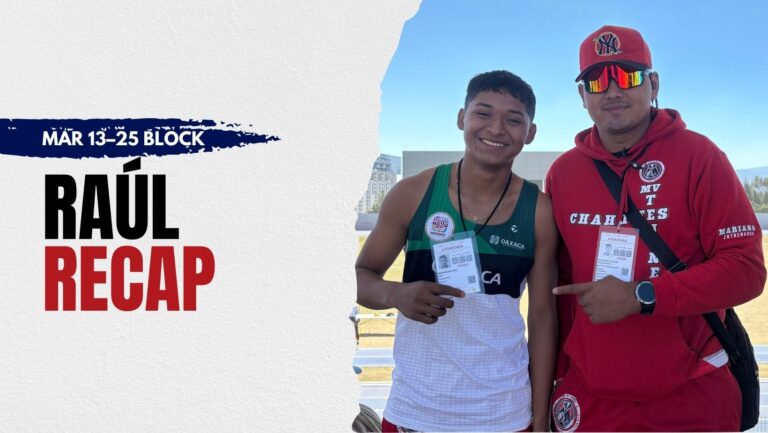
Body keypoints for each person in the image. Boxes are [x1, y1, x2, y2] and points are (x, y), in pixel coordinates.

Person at [546, 24, 766, 431]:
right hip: (590, 396)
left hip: (693, 391)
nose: (612, 91)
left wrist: (644, 295)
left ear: (653, 83)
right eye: (596, 80)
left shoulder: (700, 155)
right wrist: (556, 378)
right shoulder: (563, 173)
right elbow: (560, 287)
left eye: (627, 76)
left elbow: (746, 270)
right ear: (582, 96)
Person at [356, 70, 557, 432]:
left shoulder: (539, 212)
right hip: (415, 413)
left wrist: (540, 420)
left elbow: (542, 317)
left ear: (530, 133)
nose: (496, 128)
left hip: (504, 415)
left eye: (513, 119)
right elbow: (360, 277)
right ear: (462, 117)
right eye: (483, 113)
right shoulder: (412, 194)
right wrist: (394, 293)